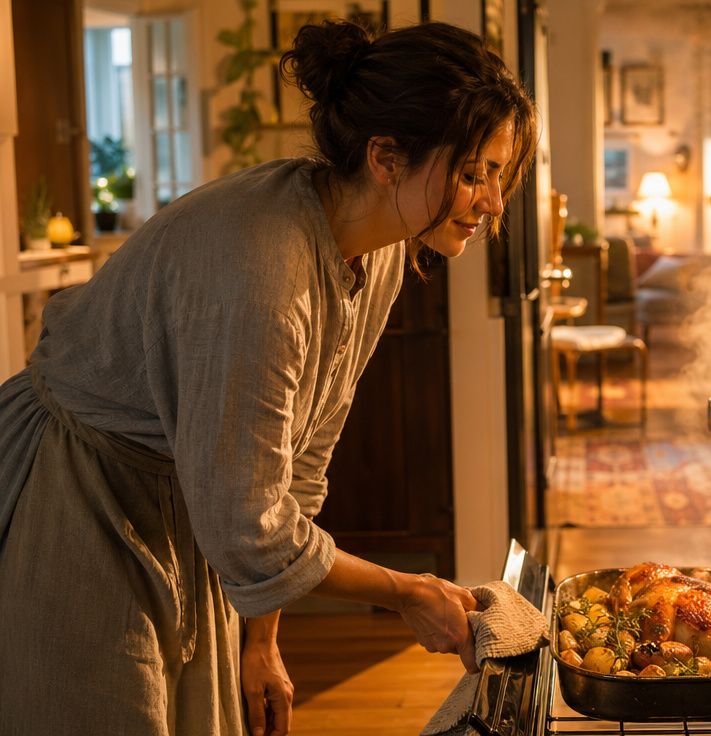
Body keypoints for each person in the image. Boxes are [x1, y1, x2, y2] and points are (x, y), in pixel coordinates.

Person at [0, 19, 537, 736]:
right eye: (473, 174)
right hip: (79, 489)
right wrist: (407, 591)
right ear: (384, 156)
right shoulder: (264, 274)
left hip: (189, 499)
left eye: (499, 175)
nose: (493, 204)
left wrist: (262, 639)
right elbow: (250, 524)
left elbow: (298, 462)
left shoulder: (376, 250)